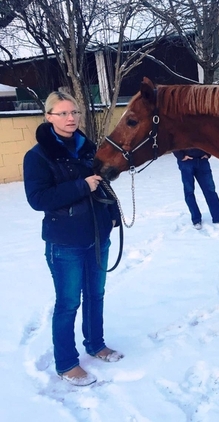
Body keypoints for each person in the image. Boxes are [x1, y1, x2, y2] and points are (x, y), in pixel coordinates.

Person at [23, 91, 123, 387]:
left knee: (96, 294)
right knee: (68, 303)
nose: (71, 119)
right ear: (49, 117)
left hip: (97, 234)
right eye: (63, 113)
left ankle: (96, 344)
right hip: (65, 242)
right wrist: (81, 186)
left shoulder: (88, 147)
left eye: (75, 113)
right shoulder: (38, 156)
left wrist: (113, 212)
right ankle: (66, 363)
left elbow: (102, 185)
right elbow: (38, 198)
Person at [173, 148, 219, 229]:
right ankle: (196, 220)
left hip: (202, 161)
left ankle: (218, 217)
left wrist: (208, 153)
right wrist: (181, 156)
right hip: (186, 162)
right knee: (189, 191)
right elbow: (173, 140)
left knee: (210, 190)